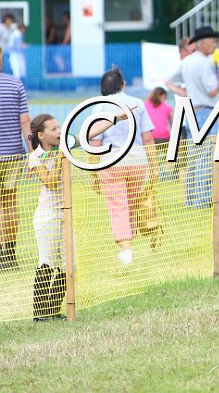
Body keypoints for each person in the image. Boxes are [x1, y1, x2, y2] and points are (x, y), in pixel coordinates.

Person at [28, 112, 125, 321]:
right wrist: (61, 157)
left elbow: (87, 134)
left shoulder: (65, 144)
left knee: (69, 265)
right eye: (54, 129)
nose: (59, 131)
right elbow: (50, 183)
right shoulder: (36, 156)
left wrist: (115, 119)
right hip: (47, 216)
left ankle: (53, 311)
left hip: (65, 214)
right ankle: (40, 314)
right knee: (48, 262)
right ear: (41, 135)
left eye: (59, 127)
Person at [89, 67, 158, 266]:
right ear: (122, 84)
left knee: (118, 205)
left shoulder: (99, 108)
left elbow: (95, 142)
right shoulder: (138, 103)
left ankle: (126, 249)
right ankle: (128, 244)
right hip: (137, 160)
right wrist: (154, 167)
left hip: (111, 161)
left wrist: (94, 173)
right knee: (132, 203)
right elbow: (148, 138)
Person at [167, 26, 219, 207]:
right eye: (213, 41)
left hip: (191, 111)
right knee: (206, 158)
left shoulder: (187, 62)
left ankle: (191, 199)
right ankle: (203, 200)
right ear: (204, 43)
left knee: (194, 158)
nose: (215, 45)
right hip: (207, 112)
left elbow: (169, 82)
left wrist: (186, 93)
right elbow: (212, 91)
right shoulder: (205, 62)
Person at [0, 47, 31, 270]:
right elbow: (25, 121)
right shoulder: (15, 84)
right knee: (10, 204)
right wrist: (33, 152)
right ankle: (9, 255)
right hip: (13, 155)